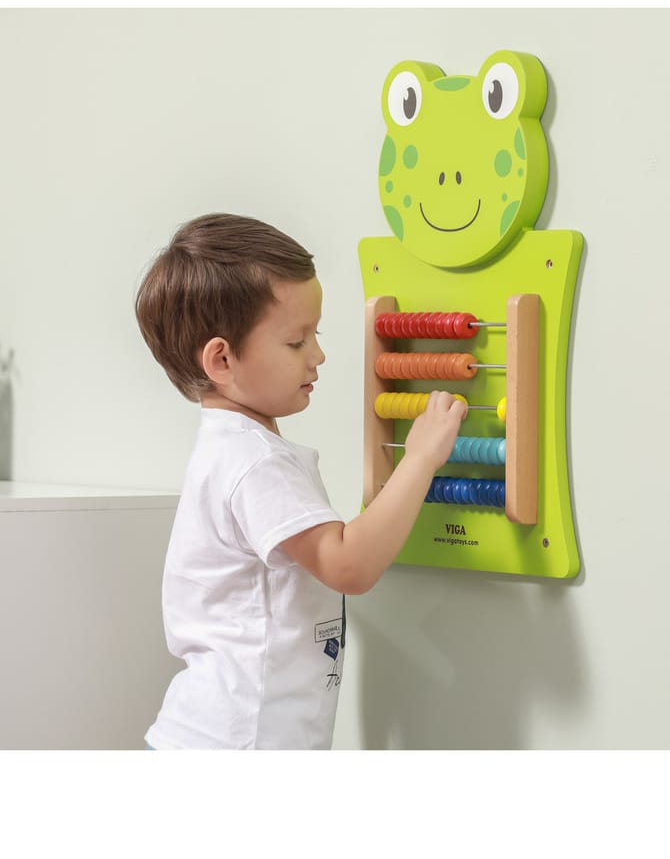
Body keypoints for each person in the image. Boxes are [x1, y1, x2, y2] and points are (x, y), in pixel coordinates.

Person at [135, 212, 467, 749]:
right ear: (222, 359)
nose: (319, 355)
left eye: (317, 335)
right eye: (296, 342)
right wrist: (422, 456)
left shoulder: (235, 449)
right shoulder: (253, 461)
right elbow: (349, 565)